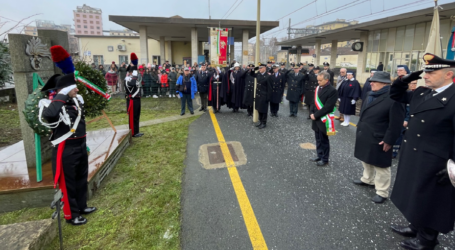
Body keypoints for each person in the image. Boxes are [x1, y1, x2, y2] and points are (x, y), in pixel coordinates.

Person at [389, 53, 455, 250]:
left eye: (431, 73)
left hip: (437, 160)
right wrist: (406, 79)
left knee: (430, 200)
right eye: (425, 72)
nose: (425, 76)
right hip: (416, 154)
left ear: (449, 75)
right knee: (415, 194)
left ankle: (427, 240)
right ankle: (415, 226)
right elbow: (396, 95)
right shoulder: (423, 92)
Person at [40, 45, 96, 225]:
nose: (77, 90)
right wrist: (62, 95)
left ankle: (81, 206)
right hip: (66, 148)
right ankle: (71, 214)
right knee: (69, 182)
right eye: (74, 88)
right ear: (64, 90)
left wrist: (70, 96)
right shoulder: (54, 103)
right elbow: (49, 116)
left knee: (81, 177)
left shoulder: (74, 101)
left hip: (79, 145)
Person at [352, 71, 405, 203]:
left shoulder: (394, 98)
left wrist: (389, 140)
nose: (371, 83)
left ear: (385, 83)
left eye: (375, 81)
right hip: (365, 133)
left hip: (380, 137)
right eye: (371, 81)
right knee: (366, 159)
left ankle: (382, 191)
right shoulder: (370, 94)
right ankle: (367, 179)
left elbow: (396, 123)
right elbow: (364, 112)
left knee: (381, 166)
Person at [309, 71, 338, 166]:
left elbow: (328, 107)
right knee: (317, 139)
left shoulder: (332, 91)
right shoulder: (318, 88)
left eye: (320, 80)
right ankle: (319, 155)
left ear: (327, 80)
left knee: (324, 140)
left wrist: (315, 115)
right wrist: (311, 113)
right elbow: (313, 102)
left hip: (323, 119)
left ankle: (325, 159)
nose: (318, 82)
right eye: (318, 80)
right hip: (315, 118)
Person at [392, 65, 411, 158]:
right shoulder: (396, 80)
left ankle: (395, 152)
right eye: (397, 70)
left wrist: (407, 118)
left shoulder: (409, 81)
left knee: (400, 134)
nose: (398, 71)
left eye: (401, 70)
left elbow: (409, 105)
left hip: (404, 109)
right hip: (396, 107)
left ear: (406, 71)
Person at [125, 52, 143, 138]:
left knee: (137, 115)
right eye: (133, 72)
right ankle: (133, 132)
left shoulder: (132, 78)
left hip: (137, 99)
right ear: (130, 72)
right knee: (133, 117)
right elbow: (132, 84)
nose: (134, 73)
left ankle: (137, 131)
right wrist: (135, 66)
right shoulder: (128, 79)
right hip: (132, 100)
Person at [250, 63, 272, 129]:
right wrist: (255, 68)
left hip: (264, 95)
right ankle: (260, 121)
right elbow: (252, 74)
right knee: (259, 109)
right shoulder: (258, 74)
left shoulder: (268, 76)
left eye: (261, 68)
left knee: (264, 110)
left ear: (265, 68)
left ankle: (264, 122)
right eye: (259, 68)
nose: (260, 69)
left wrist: (268, 97)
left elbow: (270, 88)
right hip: (258, 95)